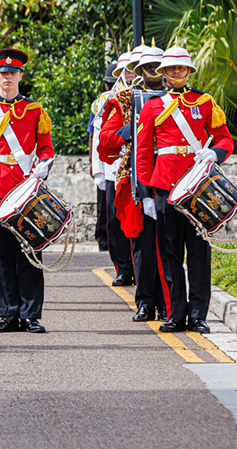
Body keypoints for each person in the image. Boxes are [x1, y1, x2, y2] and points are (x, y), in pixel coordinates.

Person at [136, 45, 234, 333]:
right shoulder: (152, 106)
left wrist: (215, 153)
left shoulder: (204, 102)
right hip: (165, 186)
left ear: (189, 71)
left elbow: (224, 138)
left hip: (197, 187)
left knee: (199, 252)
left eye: (181, 68)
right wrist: (145, 195)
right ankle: (176, 312)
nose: (176, 72)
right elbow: (143, 154)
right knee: (170, 252)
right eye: (170, 68)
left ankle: (198, 314)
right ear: (163, 73)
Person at [0, 48, 54, 333]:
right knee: (1, 253)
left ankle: (30, 313)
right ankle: (7, 312)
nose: (7, 78)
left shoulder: (35, 110)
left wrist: (44, 165)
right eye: (2, 74)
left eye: (11, 73)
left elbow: (45, 148)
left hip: (26, 190)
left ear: (20, 75)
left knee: (30, 252)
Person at [99, 43, 168, 322]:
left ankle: (169, 303)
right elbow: (105, 138)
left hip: (170, 178)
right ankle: (145, 302)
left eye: (157, 66)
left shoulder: (181, 98)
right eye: (147, 67)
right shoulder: (125, 99)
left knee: (169, 245)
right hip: (137, 179)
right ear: (139, 71)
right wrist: (127, 131)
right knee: (142, 245)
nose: (152, 71)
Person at [92, 52, 135, 287]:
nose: (131, 74)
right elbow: (98, 137)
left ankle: (137, 266)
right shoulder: (106, 100)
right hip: (113, 167)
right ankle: (122, 267)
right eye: (127, 69)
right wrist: (98, 171)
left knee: (134, 219)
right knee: (114, 221)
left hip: (135, 168)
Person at [88, 62, 116, 251]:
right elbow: (93, 133)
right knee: (104, 202)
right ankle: (104, 238)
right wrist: (93, 162)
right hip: (104, 158)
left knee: (108, 203)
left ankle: (106, 239)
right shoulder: (99, 102)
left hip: (113, 157)